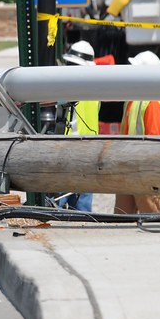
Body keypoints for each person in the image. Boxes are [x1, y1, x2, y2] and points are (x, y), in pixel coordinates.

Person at [116, 50, 160, 215]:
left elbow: (154, 141)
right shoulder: (133, 98)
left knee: (151, 219)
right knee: (120, 219)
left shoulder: (152, 102)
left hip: (146, 171)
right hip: (129, 167)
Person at [59, 40, 97, 212]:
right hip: (89, 148)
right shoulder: (96, 88)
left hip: (69, 148)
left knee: (58, 199)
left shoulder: (67, 87)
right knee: (82, 201)